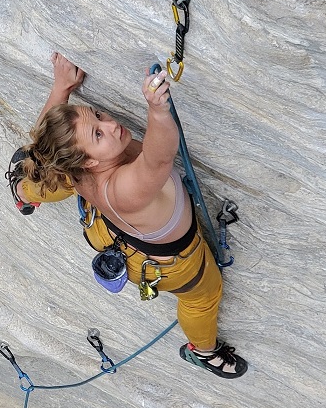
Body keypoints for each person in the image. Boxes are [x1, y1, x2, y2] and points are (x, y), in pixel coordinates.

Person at [15, 52, 247, 378]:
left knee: (58, 175)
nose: (111, 125)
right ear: (90, 162)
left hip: (109, 230)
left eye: (97, 115)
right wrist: (157, 110)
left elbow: (47, 139)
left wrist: (61, 86)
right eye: (98, 133)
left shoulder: (76, 166)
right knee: (204, 295)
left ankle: (25, 191)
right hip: (172, 265)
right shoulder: (124, 189)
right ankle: (204, 352)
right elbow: (158, 158)